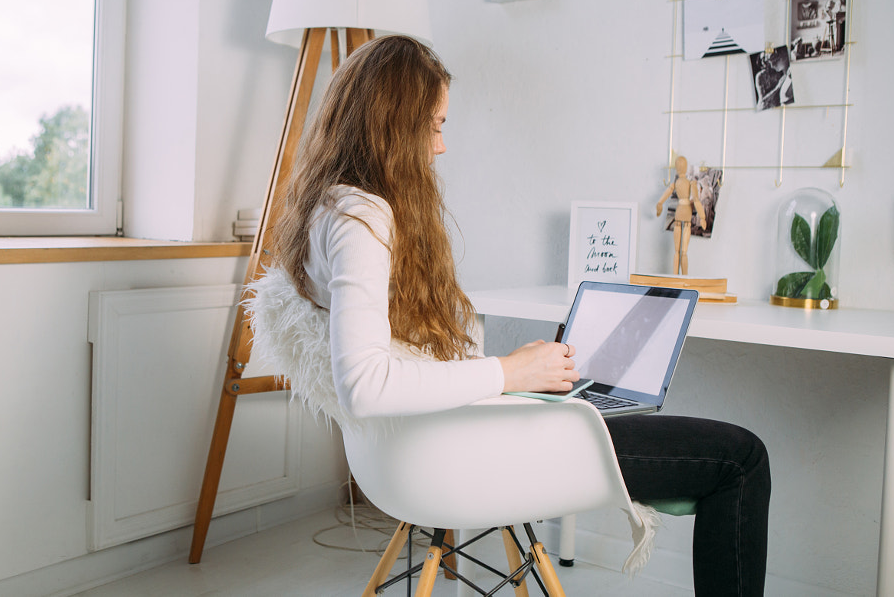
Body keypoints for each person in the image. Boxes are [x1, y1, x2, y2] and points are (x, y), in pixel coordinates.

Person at [262, 35, 770, 596]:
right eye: (434, 125)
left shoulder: (328, 206)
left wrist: (518, 375)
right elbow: (364, 385)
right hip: (457, 461)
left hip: (424, 453)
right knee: (741, 457)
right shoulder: (362, 219)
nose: (441, 146)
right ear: (393, 125)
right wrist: (510, 373)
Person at [656, 155, 707, 276]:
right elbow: (696, 200)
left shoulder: (676, 183)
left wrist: (660, 204)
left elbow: (665, 195)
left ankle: (677, 275)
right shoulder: (690, 183)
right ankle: (683, 276)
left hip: (679, 211)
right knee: (684, 251)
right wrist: (702, 217)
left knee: (677, 250)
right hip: (686, 211)